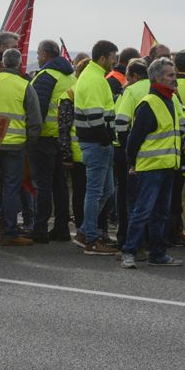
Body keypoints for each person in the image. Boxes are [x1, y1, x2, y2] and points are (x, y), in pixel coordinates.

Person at [0, 48, 42, 244]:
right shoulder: (24, 86)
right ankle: (9, 233)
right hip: (15, 146)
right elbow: (35, 121)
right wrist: (30, 144)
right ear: (19, 64)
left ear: (3, 63)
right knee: (11, 188)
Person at [121, 56, 184, 268]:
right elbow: (134, 139)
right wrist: (132, 164)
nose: (175, 79)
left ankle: (158, 253)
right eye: (171, 75)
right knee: (143, 212)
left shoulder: (170, 100)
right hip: (150, 169)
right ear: (157, 77)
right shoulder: (149, 104)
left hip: (167, 167)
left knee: (160, 214)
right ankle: (129, 252)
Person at [73, 40, 123, 255]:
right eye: (113, 57)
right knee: (95, 192)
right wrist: (105, 138)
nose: (116, 61)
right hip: (96, 143)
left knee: (106, 191)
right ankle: (91, 239)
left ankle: (86, 232)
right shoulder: (94, 80)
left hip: (97, 142)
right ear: (102, 57)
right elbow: (95, 116)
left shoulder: (94, 77)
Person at [28, 40, 76, 244]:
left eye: (38, 54)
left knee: (44, 184)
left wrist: (32, 136)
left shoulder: (46, 76)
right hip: (64, 139)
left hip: (46, 138)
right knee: (60, 185)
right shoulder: (70, 77)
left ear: (45, 55)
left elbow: (37, 109)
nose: (37, 58)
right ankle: (62, 227)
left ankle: (40, 227)